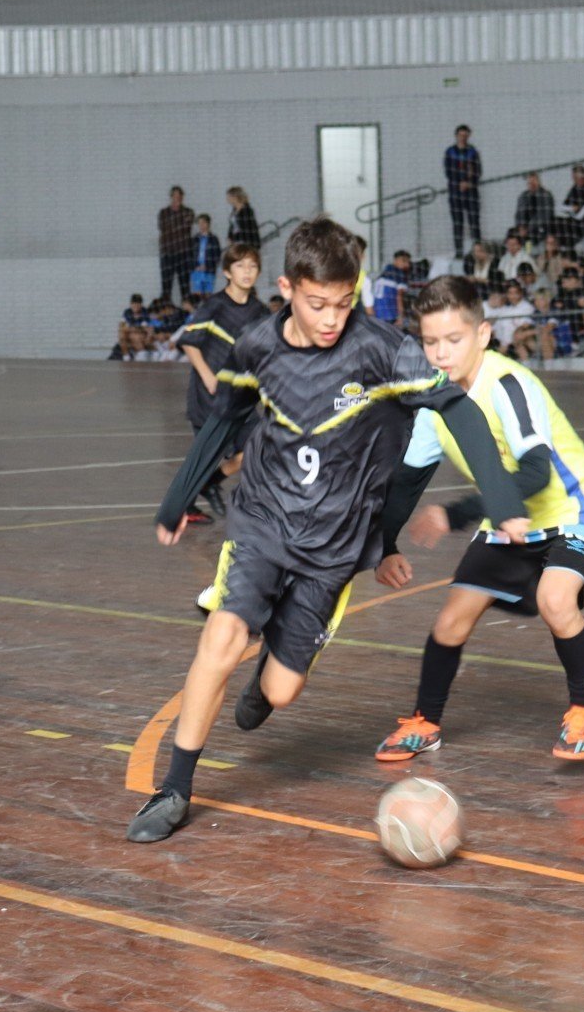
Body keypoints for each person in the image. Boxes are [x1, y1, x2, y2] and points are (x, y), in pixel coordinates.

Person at [127, 216, 530, 842]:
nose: (331, 317)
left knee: (282, 691)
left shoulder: (381, 349)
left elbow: (458, 409)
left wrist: (501, 497)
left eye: (344, 303)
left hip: (334, 545)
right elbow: (223, 419)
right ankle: (175, 788)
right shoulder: (257, 346)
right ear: (287, 287)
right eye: (317, 303)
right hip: (261, 519)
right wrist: (178, 498)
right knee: (223, 637)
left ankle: (267, 685)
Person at [375, 277, 584, 764]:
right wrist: (385, 545)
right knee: (450, 621)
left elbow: (535, 472)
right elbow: (407, 483)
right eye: (430, 342)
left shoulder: (507, 383)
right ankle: (425, 720)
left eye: (453, 340)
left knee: (555, 599)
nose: (441, 353)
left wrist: (455, 513)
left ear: (483, 334)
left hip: (570, 510)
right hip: (505, 520)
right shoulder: (435, 402)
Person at [177, 242, 273, 521]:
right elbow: (189, 342)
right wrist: (207, 375)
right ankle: (186, 506)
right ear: (227, 272)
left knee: (258, 447)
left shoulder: (259, 310)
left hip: (239, 396)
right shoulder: (215, 304)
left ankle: (211, 483)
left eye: (252, 266)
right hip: (209, 395)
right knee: (204, 456)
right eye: (240, 265)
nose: (247, 271)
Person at [445, 124, 483, 256]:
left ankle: (478, 250)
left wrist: (469, 183)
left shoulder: (473, 152)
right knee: (457, 223)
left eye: (465, 135)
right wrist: (459, 183)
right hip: (455, 194)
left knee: (474, 222)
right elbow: (448, 172)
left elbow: (478, 172)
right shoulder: (450, 152)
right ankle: (459, 252)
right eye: (461, 135)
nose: (463, 138)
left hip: (471, 193)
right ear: (456, 136)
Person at [485, 278, 538, 358]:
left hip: (515, 343)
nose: (513, 296)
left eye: (515, 293)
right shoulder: (505, 309)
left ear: (520, 293)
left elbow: (525, 326)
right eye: (510, 293)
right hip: (500, 344)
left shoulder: (527, 307)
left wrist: (507, 344)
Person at [157, 186, 193, 303]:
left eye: (179, 196)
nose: (177, 198)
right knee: (166, 285)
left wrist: (174, 226)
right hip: (167, 253)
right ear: (171, 197)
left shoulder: (188, 212)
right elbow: (164, 228)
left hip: (183, 253)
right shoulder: (163, 213)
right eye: (175, 196)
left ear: (182, 197)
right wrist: (178, 225)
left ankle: (187, 312)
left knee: (185, 285)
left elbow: (185, 228)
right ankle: (166, 312)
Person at [373, 248, 414, 326]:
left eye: (408, 262)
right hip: (390, 315)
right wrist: (401, 317)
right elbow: (399, 297)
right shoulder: (399, 275)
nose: (407, 264)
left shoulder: (384, 273)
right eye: (404, 261)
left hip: (376, 314)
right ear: (396, 260)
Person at [514, 171, 556, 243]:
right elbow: (518, 214)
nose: (532, 185)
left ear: (539, 182)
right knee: (511, 233)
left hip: (540, 228)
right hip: (525, 230)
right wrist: (520, 226)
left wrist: (529, 228)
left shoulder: (546, 195)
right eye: (530, 183)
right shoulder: (523, 196)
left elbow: (545, 215)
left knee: (539, 230)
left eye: (534, 182)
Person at [187, 214, 222, 297]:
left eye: (203, 223)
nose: (201, 225)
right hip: (197, 271)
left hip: (209, 271)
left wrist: (207, 266)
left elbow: (217, 256)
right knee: (197, 295)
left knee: (208, 296)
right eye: (199, 223)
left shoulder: (214, 239)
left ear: (208, 224)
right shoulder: (194, 239)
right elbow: (190, 255)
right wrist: (195, 266)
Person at [116, 293, 155, 361]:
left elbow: (143, 329)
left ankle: (140, 354)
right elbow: (121, 326)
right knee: (121, 334)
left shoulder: (144, 313)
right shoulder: (127, 312)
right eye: (134, 304)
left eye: (138, 304)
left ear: (141, 304)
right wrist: (129, 329)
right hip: (129, 334)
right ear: (131, 304)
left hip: (141, 336)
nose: (136, 306)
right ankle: (126, 356)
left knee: (136, 336)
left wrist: (130, 329)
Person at [225, 186, 260, 251]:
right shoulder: (234, 211)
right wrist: (229, 237)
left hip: (246, 243)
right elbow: (232, 226)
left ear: (235, 197)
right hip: (237, 242)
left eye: (229, 197)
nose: (227, 199)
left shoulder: (247, 210)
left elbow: (247, 228)